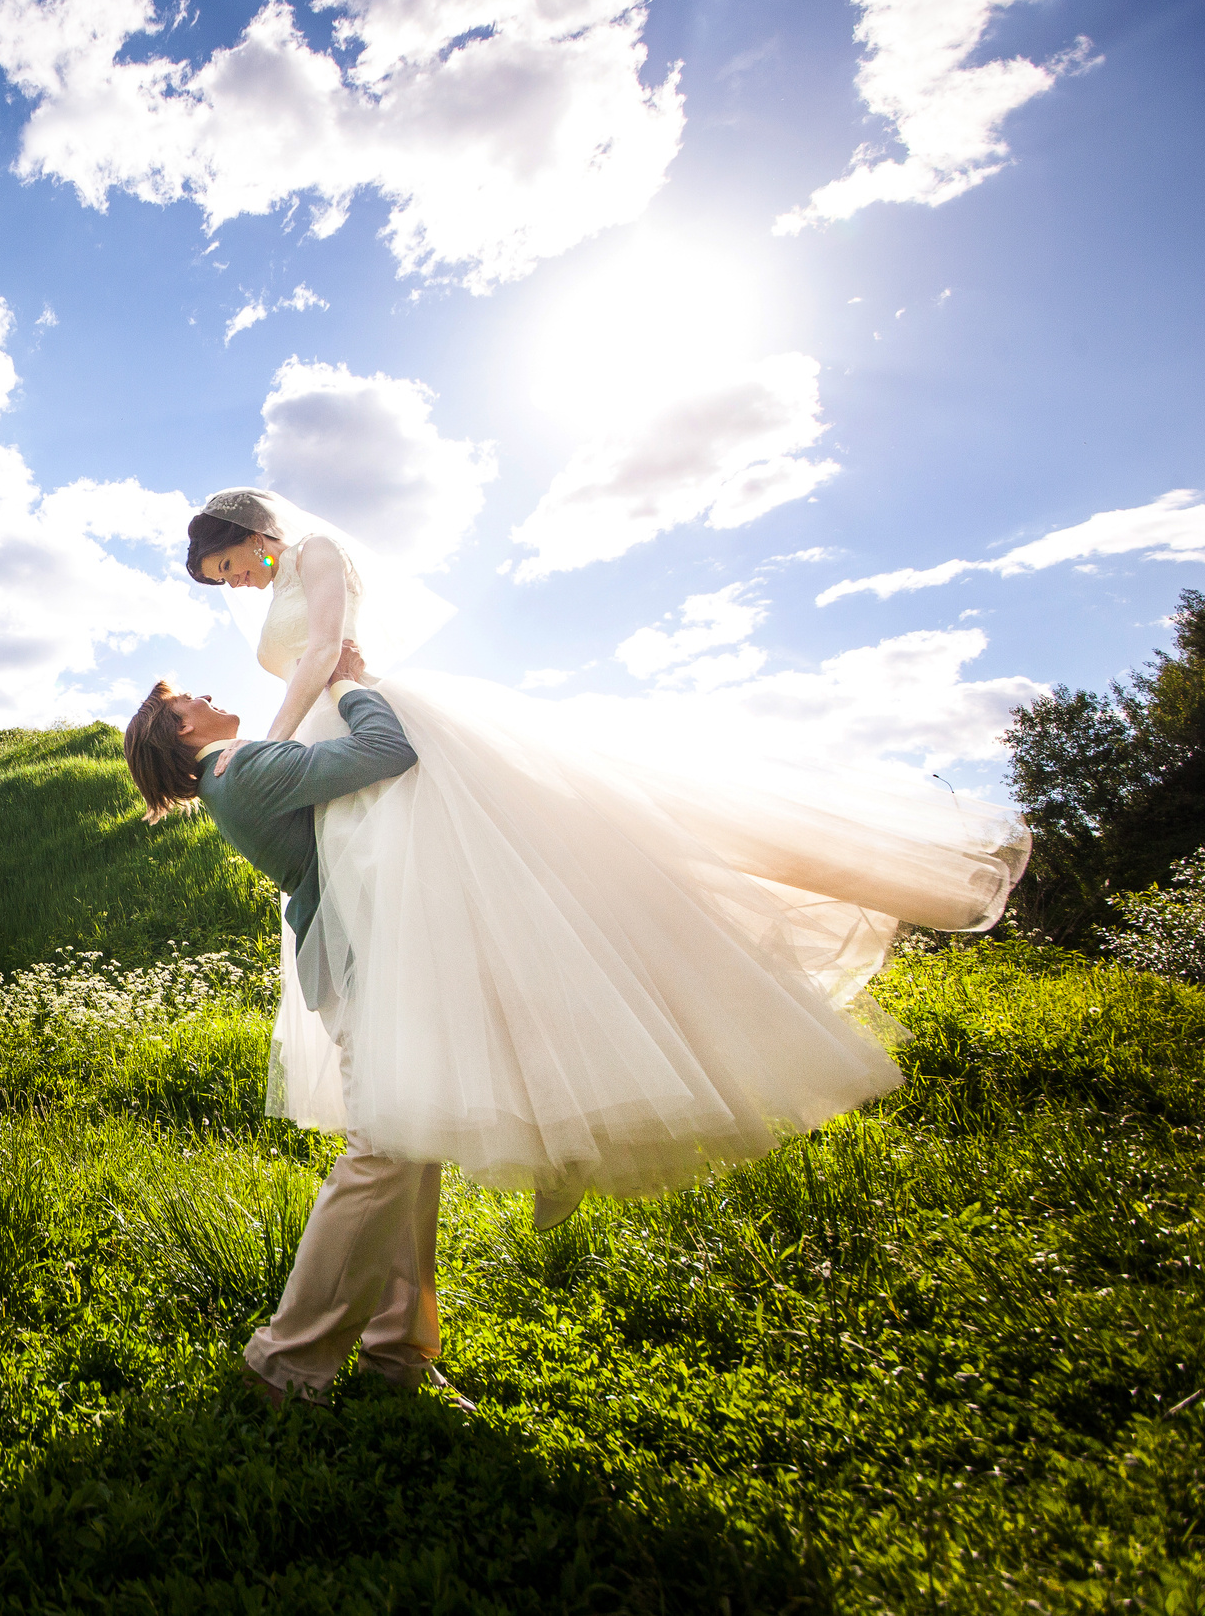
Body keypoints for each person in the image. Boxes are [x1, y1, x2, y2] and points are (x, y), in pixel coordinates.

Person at [131, 485, 1030, 1232]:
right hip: (338, 750)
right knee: (456, 946)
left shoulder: (317, 553)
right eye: (226, 581)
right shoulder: (244, 743)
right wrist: (282, 748)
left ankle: (571, 1120)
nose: (241, 584)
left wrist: (276, 742)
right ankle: (549, 1132)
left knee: (530, 889)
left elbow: (326, 649)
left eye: (232, 565)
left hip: (363, 719)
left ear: (252, 533)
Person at [121, 643, 450, 1402]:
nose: (204, 695)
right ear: (180, 735)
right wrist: (348, 682)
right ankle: (285, 1361)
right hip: (362, 976)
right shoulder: (250, 770)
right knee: (387, 1148)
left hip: (367, 969)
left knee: (412, 1146)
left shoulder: (236, 774)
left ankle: (398, 1354)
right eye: (186, 702)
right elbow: (388, 748)